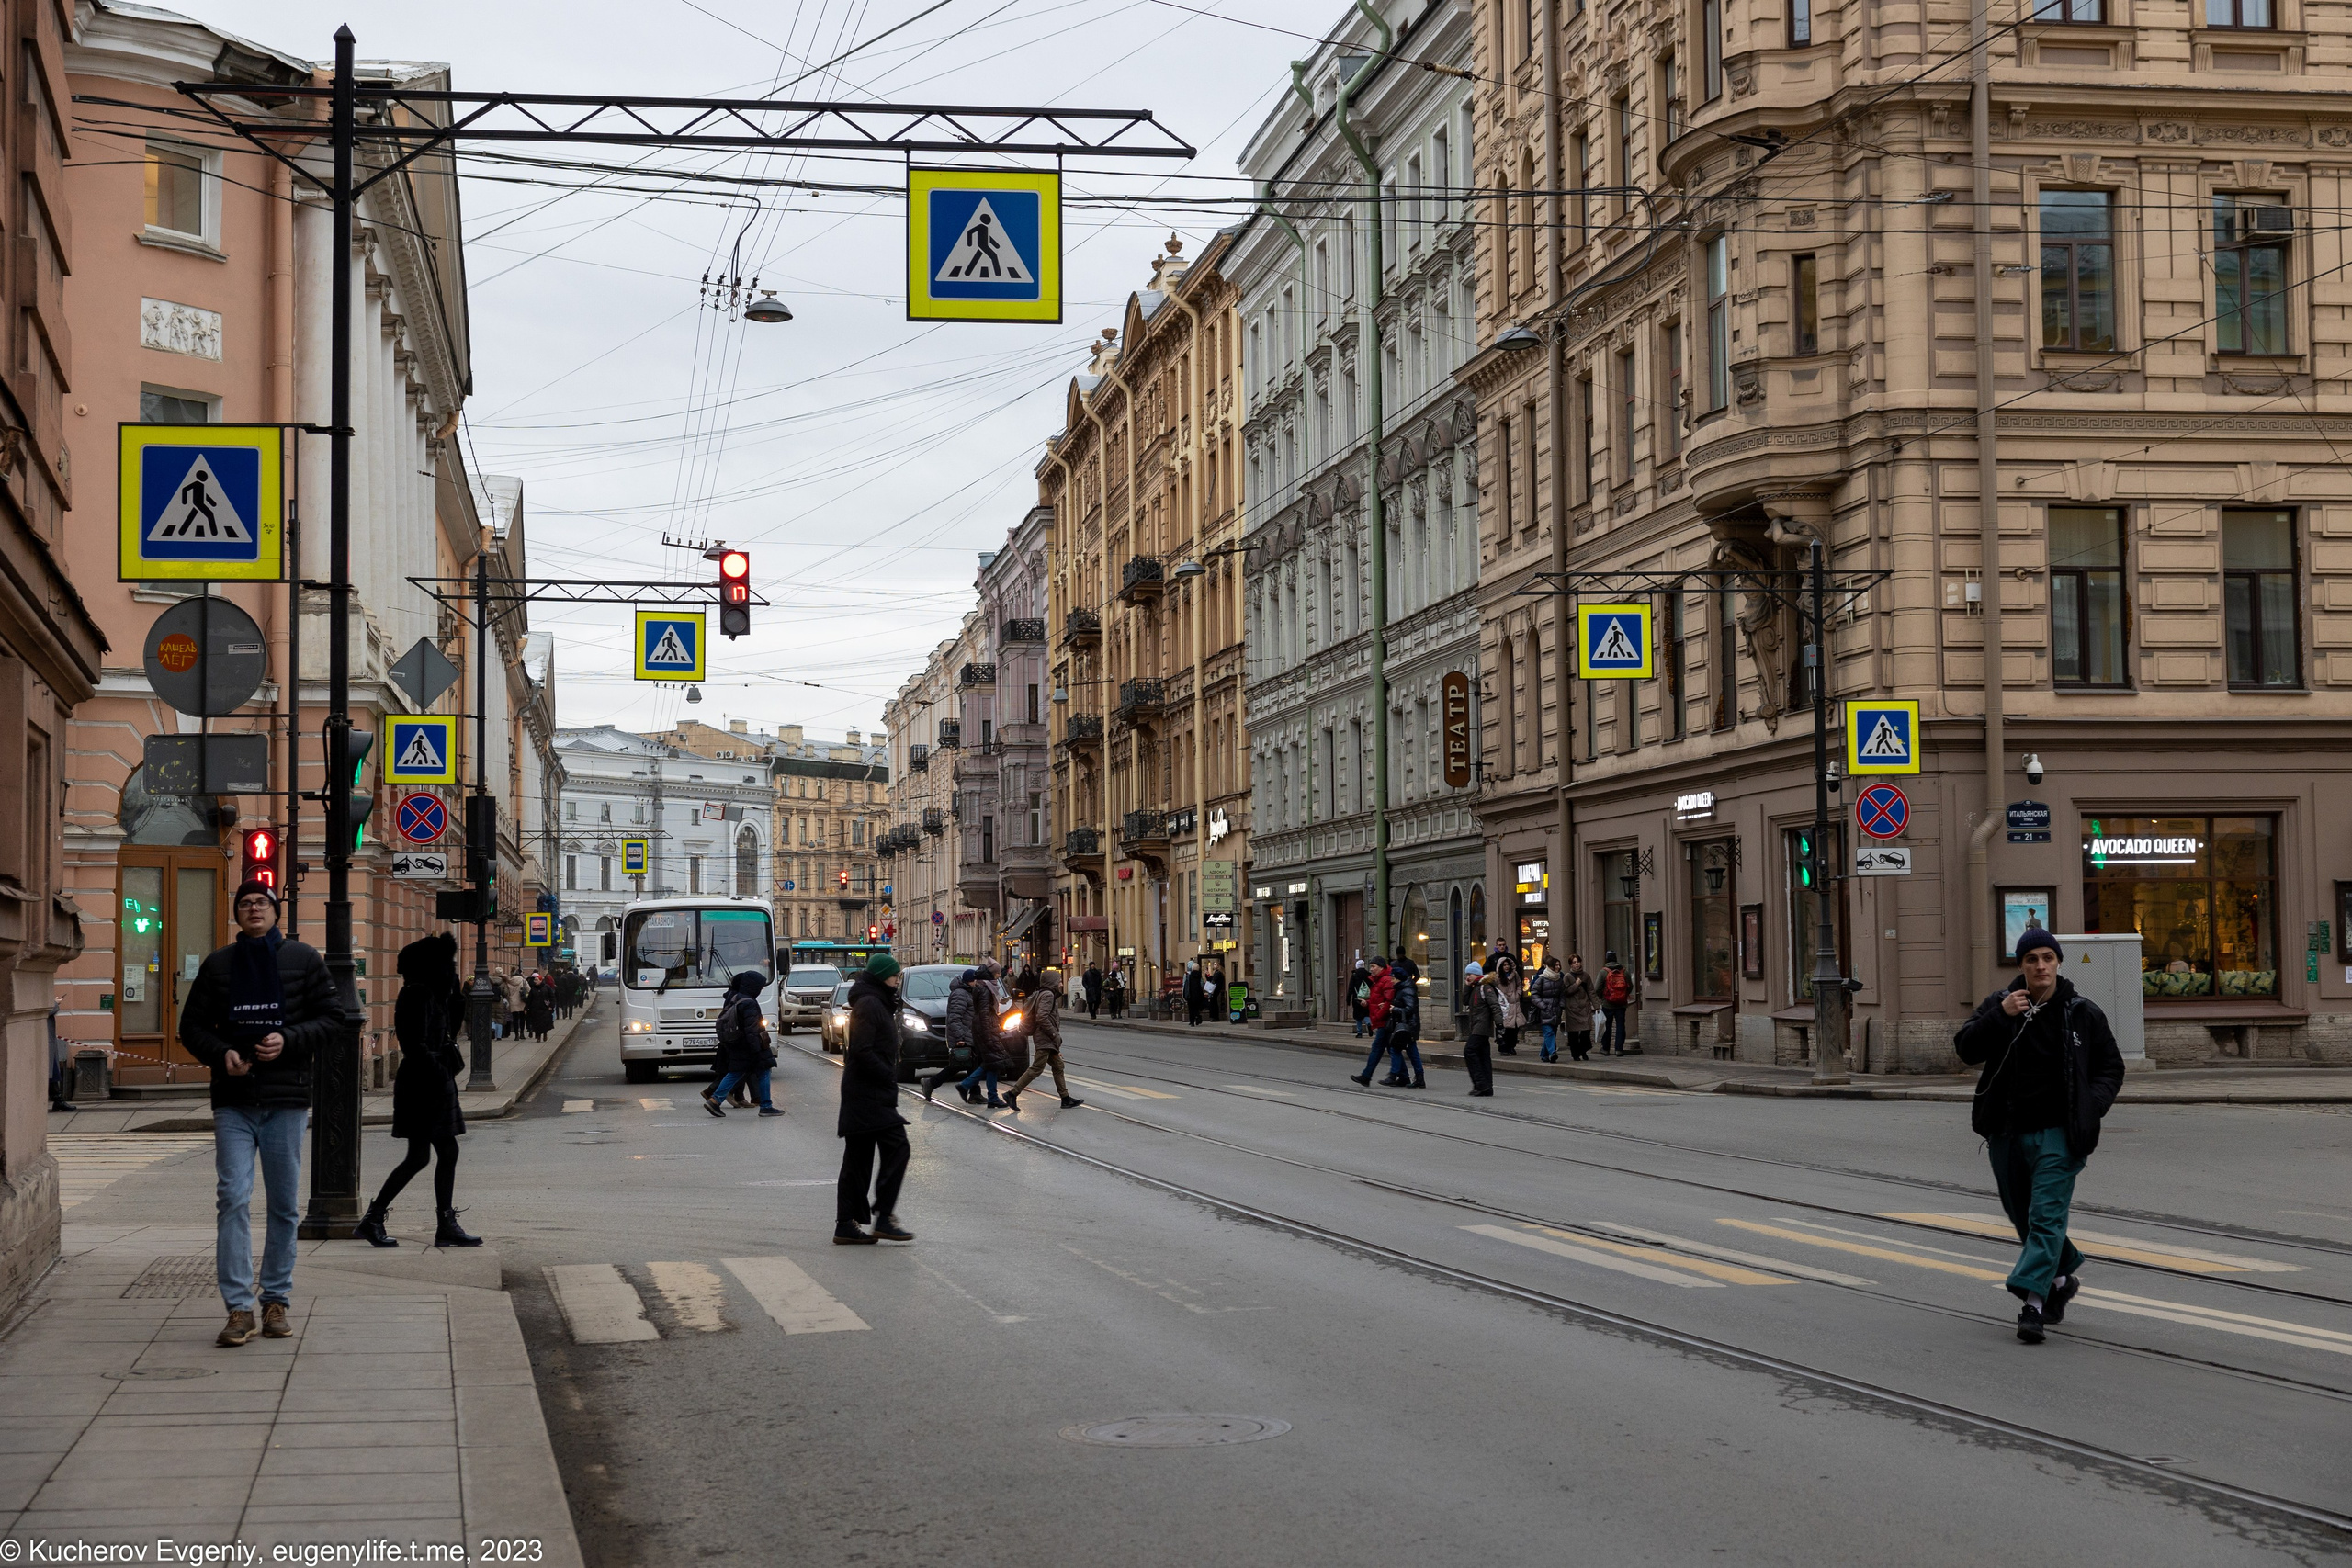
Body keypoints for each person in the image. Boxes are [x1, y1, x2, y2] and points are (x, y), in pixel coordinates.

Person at [177, 879, 335, 1348]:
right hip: (235, 1099)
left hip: (286, 1100)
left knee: (284, 1205)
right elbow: (192, 1026)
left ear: (275, 912)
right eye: (245, 904)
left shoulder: (304, 960)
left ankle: (276, 1301)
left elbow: (332, 1019)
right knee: (233, 1197)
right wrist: (221, 1052)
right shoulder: (219, 964)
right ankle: (238, 1308)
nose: (253, 909)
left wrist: (288, 1039)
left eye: (261, 903)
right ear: (237, 914)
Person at [1954, 928, 2125, 1344]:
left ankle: (2033, 1303)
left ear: (2059, 962)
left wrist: (2090, 1105)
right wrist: (2001, 1016)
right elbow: (1965, 1048)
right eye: (2032, 959)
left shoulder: (2082, 1012)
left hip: (2060, 1134)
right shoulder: (2001, 1006)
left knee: (2046, 1215)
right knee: (2024, 1216)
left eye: (2048, 957)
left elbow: (2111, 1068)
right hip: (2007, 1132)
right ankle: (2063, 1275)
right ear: (2021, 966)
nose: (2041, 966)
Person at [357, 932, 479, 1248]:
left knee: (427, 1155)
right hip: (425, 1085)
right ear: (430, 966)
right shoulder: (416, 994)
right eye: (446, 965)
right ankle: (382, 1219)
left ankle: (435, 1222)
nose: (450, 969)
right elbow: (414, 1044)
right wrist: (439, 1073)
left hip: (432, 1083)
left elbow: (448, 1032)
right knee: (427, 1155)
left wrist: (455, 996)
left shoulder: (430, 994)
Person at [836, 955, 914, 1245]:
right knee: (898, 1147)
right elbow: (861, 1049)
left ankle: (845, 1225)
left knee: (858, 1160)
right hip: (868, 1094)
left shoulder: (875, 1001)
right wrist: (886, 1075)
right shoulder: (870, 1004)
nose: (897, 981)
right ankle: (883, 1217)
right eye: (894, 976)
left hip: (868, 1092)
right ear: (883, 976)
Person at [703, 970, 782, 1117]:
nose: (761, 989)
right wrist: (757, 1050)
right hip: (750, 1046)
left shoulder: (737, 998)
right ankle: (765, 1106)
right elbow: (751, 1029)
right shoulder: (749, 1003)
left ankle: (714, 1100)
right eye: (760, 986)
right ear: (753, 986)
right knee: (764, 1071)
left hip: (738, 1045)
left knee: (735, 1073)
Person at [1003, 968, 1084, 1112]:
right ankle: (1012, 1093)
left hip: (1046, 1039)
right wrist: (1054, 1034)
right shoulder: (1047, 995)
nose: (1060, 983)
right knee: (1036, 1068)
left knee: (1058, 1066)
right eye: (1058, 980)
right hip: (1045, 1038)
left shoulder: (1043, 993)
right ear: (1051, 982)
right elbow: (1042, 1017)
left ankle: (1065, 1098)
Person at [955, 967, 1013, 1108]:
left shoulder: (984, 989)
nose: (999, 975)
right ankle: (968, 1086)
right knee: (992, 1062)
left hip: (985, 1030)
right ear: (990, 976)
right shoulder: (985, 991)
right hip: (985, 1031)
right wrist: (988, 1036)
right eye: (997, 973)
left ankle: (988, 1096)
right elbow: (985, 1015)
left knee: (992, 1063)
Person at [922, 966, 981, 1102]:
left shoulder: (968, 992)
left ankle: (975, 1093)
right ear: (969, 981)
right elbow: (954, 1019)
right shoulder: (960, 994)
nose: (977, 983)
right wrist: (961, 1037)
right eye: (975, 980)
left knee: (973, 1063)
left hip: (969, 1034)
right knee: (958, 1065)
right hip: (962, 1036)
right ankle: (930, 1083)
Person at [1351, 958, 1396, 1086]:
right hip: (1382, 1020)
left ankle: (1366, 1076)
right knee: (1391, 1049)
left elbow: (1388, 1001)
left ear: (1381, 967)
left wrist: (1378, 1016)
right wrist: (1368, 1003)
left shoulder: (1386, 980)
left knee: (1377, 1049)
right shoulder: (1379, 980)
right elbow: (1378, 1000)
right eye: (1370, 967)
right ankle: (1403, 1076)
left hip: (1385, 1021)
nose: (1371, 969)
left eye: (1373, 966)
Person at [1457, 961, 1498, 1097]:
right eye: (1466, 974)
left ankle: (1480, 1084)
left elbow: (1495, 1005)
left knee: (1469, 1051)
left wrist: (1500, 1025)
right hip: (1476, 1026)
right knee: (1483, 1056)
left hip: (1482, 1026)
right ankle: (1486, 1087)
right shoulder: (1474, 987)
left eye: (1470, 974)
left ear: (1477, 974)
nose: (1468, 976)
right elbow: (1465, 1001)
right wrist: (1467, 986)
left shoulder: (1485, 987)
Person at [1386, 951, 1427, 1087]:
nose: (1391, 980)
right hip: (1406, 1025)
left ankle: (1398, 1076)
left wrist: (1394, 1009)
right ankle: (1412, 1077)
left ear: (1398, 978)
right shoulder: (1402, 988)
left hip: (1409, 1025)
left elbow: (1410, 1008)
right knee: (1404, 1050)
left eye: (1392, 978)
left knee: (1406, 1050)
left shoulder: (1407, 989)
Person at [1561, 955, 1599, 1062]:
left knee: (1586, 1031)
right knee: (1573, 1033)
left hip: (1584, 1006)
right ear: (1571, 964)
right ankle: (1575, 1054)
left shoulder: (1586, 976)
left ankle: (1583, 1050)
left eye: (1578, 962)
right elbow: (1565, 992)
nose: (1577, 964)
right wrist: (1576, 985)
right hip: (1572, 1008)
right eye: (1574, 962)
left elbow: (1591, 991)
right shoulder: (1567, 977)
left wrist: (1596, 1006)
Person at [1598, 951, 1634, 1056]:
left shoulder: (1603, 972)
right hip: (1621, 1004)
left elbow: (1596, 988)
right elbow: (1630, 986)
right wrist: (1623, 995)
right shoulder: (1624, 972)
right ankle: (1619, 1049)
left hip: (1607, 1004)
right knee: (1620, 1026)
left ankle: (1605, 1048)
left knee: (1607, 1026)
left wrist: (1602, 998)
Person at [1530, 956, 1566, 1063]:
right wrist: (1542, 1005)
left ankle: (1544, 1054)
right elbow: (1534, 993)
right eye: (1556, 965)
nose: (1558, 967)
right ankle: (1552, 1052)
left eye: (1559, 965)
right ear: (1551, 967)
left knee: (1552, 1033)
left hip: (1556, 1011)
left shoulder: (1559, 980)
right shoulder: (1542, 978)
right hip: (1545, 1011)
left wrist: (1561, 1005)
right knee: (1548, 1032)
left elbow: (1563, 994)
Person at [1491, 950, 1525, 1055]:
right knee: (1504, 1028)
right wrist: (1499, 998)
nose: (1506, 967)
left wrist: (1518, 994)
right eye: (1504, 965)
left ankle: (1512, 1046)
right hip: (1503, 1005)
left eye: (1507, 965)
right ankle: (1503, 1047)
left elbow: (1520, 984)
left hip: (1514, 1003)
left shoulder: (1514, 975)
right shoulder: (1496, 978)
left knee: (1514, 1028)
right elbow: (1493, 989)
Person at [502, 967, 528, 1042]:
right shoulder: (523, 981)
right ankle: (522, 1033)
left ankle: (517, 1035)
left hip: (513, 1002)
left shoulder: (509, 981)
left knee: (515, 1019)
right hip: (522, 1001)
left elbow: (506, 992)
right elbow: (529, 990)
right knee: (522, 1018)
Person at [1183, 961, 1206, 1026]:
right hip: (1198, 995)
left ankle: (1192, 1022)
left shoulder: (1189, 976)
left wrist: (1185, 994)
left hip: (1191, 995)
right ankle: (1197, 1018)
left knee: (1191, 1008)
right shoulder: (1199, 976)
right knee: (1196, 1008)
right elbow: (1202, 985)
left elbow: (1187, 986)